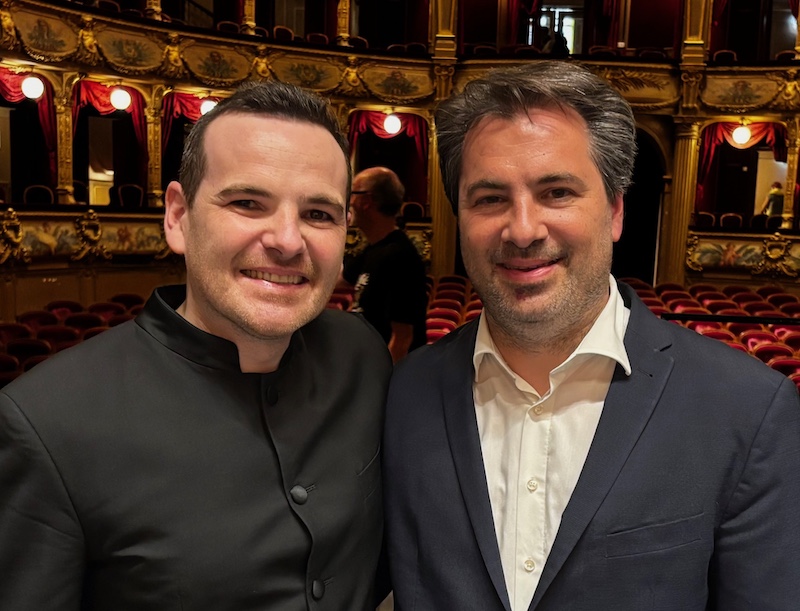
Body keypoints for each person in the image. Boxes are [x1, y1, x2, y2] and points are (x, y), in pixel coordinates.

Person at [383, 61, 800, 610]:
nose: (523, 230)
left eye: (557, 192)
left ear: (615, 211)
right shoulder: (406, 391)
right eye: (489, 198)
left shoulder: (748, 409)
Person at [0, 80, 392, 610]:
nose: (287, 240)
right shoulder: (44, 423)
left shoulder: (362, 356)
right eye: (248, 203)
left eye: (318, 214)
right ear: (178, 217)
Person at [343, 166, 428, 362]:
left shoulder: (400, 257)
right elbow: (338, 278)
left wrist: (380, 379)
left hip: (390, 375)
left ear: (367, 201)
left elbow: (402, 339)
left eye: (353, 194)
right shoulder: (373, 249)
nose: (350, 202)